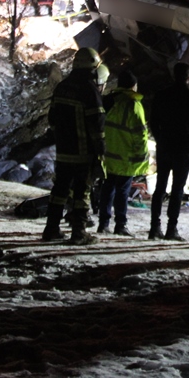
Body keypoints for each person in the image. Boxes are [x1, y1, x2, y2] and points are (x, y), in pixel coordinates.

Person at [42, 48, 106, 245]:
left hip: (63, 151)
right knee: (82, 192)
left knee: (59, 190)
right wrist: (100, 151)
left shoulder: (63, 86)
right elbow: (97, 125)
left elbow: (52, 119)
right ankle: (79, 232)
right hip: (83, 152)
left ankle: (51, 229)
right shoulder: (90, 90)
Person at [148, 62, 189, 241]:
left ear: (173, 75)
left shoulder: (162, 95)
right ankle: (172, 229)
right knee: (177, 188)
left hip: (165, 145)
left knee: (160, 187)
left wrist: (160, 138)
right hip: (184, 148)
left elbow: (153, 122)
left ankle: (154, 227)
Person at [97, 69, 149, 237]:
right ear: (133, 86)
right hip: (125, 157)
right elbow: (140, 133)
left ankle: (103, 224)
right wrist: (142, 156)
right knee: (123, 191)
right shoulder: (134, 104)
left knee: (107, 188)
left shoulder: (108, 100)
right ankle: (120, 225)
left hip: (108, 155)